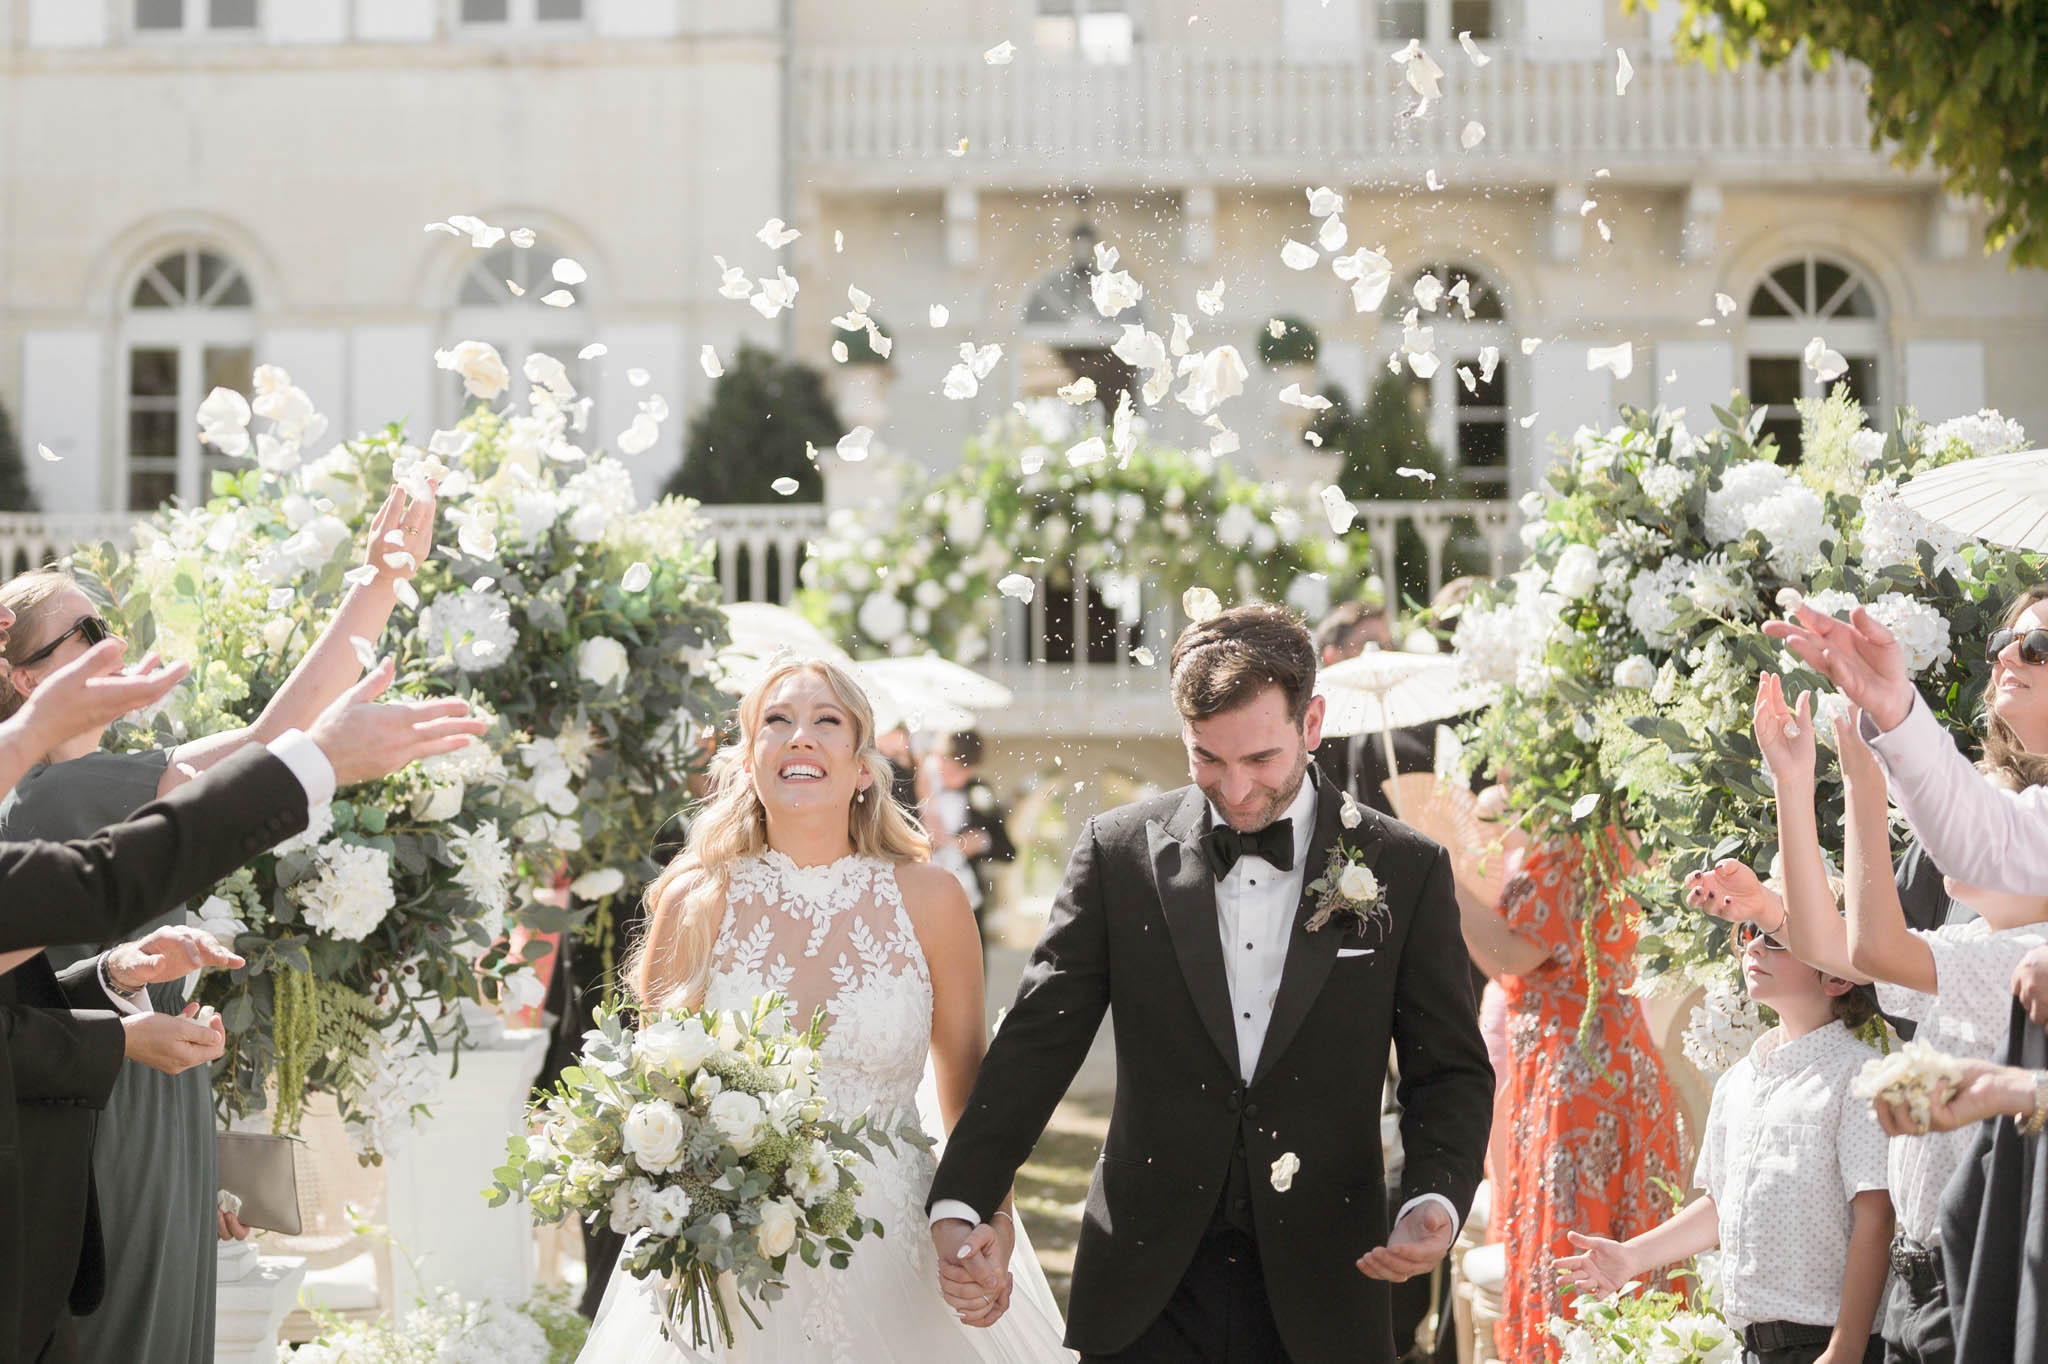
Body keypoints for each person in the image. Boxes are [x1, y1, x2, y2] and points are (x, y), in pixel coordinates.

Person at [927, 604, 1494, 1361]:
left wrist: (1434, 1197)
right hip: (1144, 1280)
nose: (1235, 789)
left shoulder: (1405, 866)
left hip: (1330, 1275)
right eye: (1206, 759)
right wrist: (964, 1201)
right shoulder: (1117, 853)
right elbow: (1039, 1039)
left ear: (1312, 721)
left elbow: (1449, 1070)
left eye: (1259, 759)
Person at [0, 483, 434, 1364]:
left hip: (140, 1087)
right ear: (20, 677)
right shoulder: (63, 791)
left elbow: (269, 743)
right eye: (81, 636)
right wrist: (374, 589)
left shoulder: (96, 775)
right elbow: (274, 743)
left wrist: (376, 584)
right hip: (103, 1111)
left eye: (106, 625)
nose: (106, 645)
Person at [580, 658, 1070, 1361]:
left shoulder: (930, 899)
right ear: (749, 763)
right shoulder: (695, 902)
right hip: (733, 1261)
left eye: (827, 722)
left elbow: (969, 1092)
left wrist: (989, 1216)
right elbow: (653, 1096)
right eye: (776, 721)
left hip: (893, 1244)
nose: (800, 736)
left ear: (864, 767)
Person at [1694, 673, 2048, 1364]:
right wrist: (1793, 785)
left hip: (1971, 1269)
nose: (1956, 839)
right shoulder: (1972, 944)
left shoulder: (2026, 950)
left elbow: (1869, 948)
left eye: (1988, 828)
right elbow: (1831, 948)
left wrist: (1863, 780)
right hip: (1916, 1285)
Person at [1558, 921, 1892, 1364]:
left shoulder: (1858, 1076)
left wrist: (1845, 1348)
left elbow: (1876, 1218)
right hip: (1752, 1349)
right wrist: (1631, 1257)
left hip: (1828, 1345)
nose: (1754, 946)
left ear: (1836, 975)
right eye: (1749, 932)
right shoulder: (1739, 1081)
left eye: (1776, 937)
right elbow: (1721, 1206)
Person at [1465, 823, 1687, 1363]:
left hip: (1582, 1076)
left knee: (1578, 1249)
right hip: (1586, 1064)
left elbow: (1512, 954)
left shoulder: (1578, 838)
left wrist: (1442, 875)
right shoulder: (1587, 833)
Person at [1764, 592, 2048, 895]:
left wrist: (1893, 711)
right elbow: (1871, 936)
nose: (2006, 656)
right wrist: (1792, 782)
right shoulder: (1979, 799)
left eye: (2038, 646)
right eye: (2004, 641)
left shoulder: (1976, 816)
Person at [921, 729, 1016, 928]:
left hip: (967, 901)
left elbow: (1007, 850)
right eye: (953, 771)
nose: (959, 780)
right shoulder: (911, 783)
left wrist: (981, 842)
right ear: (938, 755)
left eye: (966, 773)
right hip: (922, 895)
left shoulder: (979, 790)